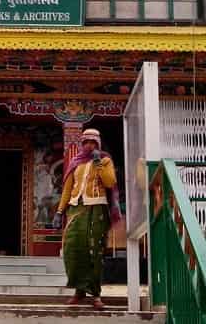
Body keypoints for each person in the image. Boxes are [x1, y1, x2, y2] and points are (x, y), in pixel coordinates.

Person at [52, 128, 121, 311]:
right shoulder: (76, 163)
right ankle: (79, 290)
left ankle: (96, 294)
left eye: (93, 143)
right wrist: (59, 212)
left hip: (97, 208)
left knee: (94, 250)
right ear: (82, 144)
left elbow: (109, 182)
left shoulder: (105, 160)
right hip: (76, 208)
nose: (89, 146)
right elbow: (67, 189)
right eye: (86, 142)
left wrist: (98, 163)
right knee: (72, 248)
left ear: (98, 144)